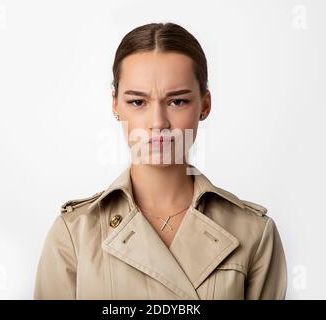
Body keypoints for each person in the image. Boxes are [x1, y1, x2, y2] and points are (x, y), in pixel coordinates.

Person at [34, 22, 287, 300]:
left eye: (177, 101)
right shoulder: (75, 233)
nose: (158, 123)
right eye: (138, 102)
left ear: (205, 105)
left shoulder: (252, 232)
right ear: (115, 105)